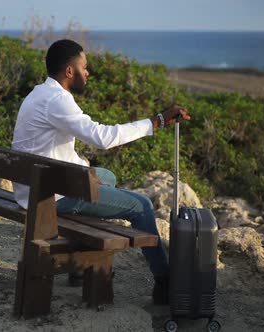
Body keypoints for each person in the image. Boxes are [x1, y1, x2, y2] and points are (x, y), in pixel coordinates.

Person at [11, 39, 190, 305]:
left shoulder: (39, 93)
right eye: (84, 67)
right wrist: (158, 121)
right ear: (69, 71)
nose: (88, 72)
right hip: (47, 197)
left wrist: (88, 172)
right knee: (141, 206)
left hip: (34, 185)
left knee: (106, 176)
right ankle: (164, 280)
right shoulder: (57, 100)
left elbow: (55, 151)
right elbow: (103, 138)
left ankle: (81, 266)